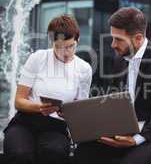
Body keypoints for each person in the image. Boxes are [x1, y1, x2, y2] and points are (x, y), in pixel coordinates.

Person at [74, 7, 151, 164]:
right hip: (128, 132)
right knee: (84, 152)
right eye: (113, 39)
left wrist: (135, 140)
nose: (113, 45)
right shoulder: (120, 60)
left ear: (137, 38)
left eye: (119, 39)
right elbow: (116, 103)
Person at [3, 14, 92, 164]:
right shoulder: (38, 58)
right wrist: (39, 107)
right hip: (26, 121)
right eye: (59, 47)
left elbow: (80, 109)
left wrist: (69, 114)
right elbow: (19, 101)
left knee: (54, 151)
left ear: (77, 40)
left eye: (70, 46)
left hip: (56, 126)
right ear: (51, 42)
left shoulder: (84, 69)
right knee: (19, 153)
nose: (65, 52)